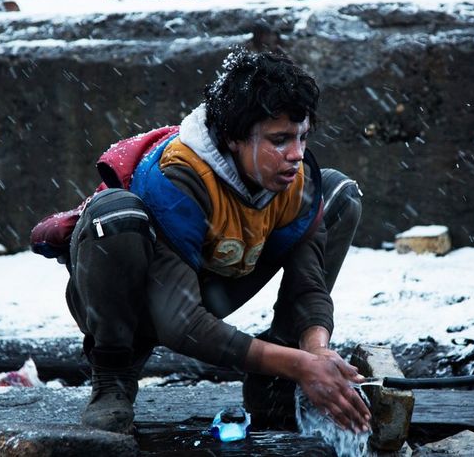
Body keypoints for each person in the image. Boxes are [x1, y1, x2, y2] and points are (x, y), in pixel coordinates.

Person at [32, 49, 369, 436]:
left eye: (302, 137)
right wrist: (297, 364)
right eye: (279, 140)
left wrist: (315, 351)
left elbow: (308, 286)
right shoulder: (179, 178)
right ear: (233, 138)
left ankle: (274, 384)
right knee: (114, 215)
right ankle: (113, 374)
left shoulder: (296, 182)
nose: (295, 154)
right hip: (142, 298)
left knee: (339, 193)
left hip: (218, 279)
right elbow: (181, 324)